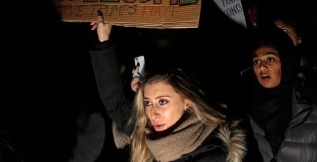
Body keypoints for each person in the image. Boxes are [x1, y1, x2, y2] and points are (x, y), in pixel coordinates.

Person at [89, 11, 247, 162]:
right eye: (148, 102)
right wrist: (103, 39)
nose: (153, 113)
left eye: (162, 101)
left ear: (187, 101)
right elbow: (116, 103)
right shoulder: (146, 134)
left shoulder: (217, 152)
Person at [246, 25, 317, 161]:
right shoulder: (244, 115)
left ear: (286, 62)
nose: (262, 67)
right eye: (256, 61)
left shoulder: (316, 114)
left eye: (270, 59)